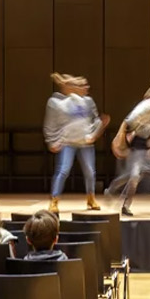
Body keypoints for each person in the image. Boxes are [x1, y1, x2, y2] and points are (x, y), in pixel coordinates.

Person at [106, 83, 150, 216]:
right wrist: (119, 138)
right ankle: (124, 204)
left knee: (139, 174)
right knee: (135, 175)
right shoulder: (146, 106)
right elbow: (128, 121)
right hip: (137, 144)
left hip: (146, 145)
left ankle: (113, 190)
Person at [43, 74, 106, 212]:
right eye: (83, 85)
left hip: (85, 143)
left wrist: (95, 133)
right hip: (67, 142)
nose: (87, 88)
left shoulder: (88, 101)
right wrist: (51, 140)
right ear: (72, 88)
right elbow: (49, 123)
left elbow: (95, 120)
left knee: (90, 172)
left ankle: (91, 198)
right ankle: (54, 200)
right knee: (63, 170)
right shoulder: (56, 102)